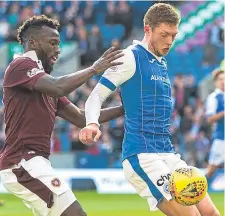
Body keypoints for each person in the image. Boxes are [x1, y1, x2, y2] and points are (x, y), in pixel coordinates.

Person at [79, 3, 220, 216]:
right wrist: (92, 123)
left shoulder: (161, 63)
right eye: (164, 34)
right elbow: (95, 96)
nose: (170, 41)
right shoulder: (130, 57)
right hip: (142, 155)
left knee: (210, 212)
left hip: (168, 153)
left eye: (173, 35)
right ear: (148, 29)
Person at [0, 15, 125, 216]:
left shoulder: (44, 82)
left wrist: (124, 109)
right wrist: (94, 69)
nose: (58, 49)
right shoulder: (20, 66)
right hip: (22, 162)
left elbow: (82, 118)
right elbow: (58, 87)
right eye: (53, 43)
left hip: (33, 162)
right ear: (32, 43)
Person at [205, 68, 224, 179]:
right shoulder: (213, 97)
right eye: (221, 79)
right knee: (212, 168)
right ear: (216, 82)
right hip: (221, 138)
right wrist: (223, 113)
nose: (223, 81)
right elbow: (210, 119)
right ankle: (197, 191)